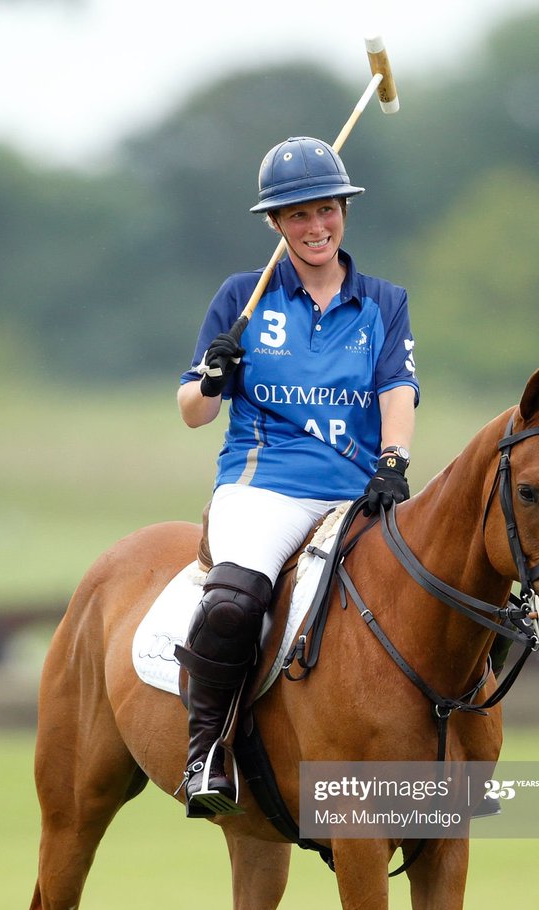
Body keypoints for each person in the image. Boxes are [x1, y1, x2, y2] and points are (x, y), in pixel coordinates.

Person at [175, 135, 419, 817]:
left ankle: (451, 751)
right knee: (231, 602)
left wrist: (393, 462)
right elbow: (192, 411)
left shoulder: (382, 301)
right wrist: (214, 375)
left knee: (443, 586)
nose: (315, 228)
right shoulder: (241, 299)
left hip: (355, 493)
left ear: (343, 210)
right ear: (275, 225)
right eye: (296, 216)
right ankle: (207, 753)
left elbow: (396, 387)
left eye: (325, 211)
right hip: (265, 488)